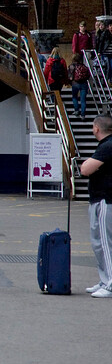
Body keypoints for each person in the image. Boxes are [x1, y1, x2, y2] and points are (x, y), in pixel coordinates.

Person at [79, 114, 112, 297]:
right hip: (101, 198)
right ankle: (105, 278)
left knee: (105, 243)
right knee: (99, 242)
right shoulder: (106, 146)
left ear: (97, 129)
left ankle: (110, 283)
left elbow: (85, 169)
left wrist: (89, 165)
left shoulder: (107, 146)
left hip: (105, 199)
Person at [68, 52, 90, 120]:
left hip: (75, 83)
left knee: (74, 97)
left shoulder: (71, 66)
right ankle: (83, 115)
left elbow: (69, 76)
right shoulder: (84, 66)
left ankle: (76, 110)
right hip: (84, 84)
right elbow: (88, 75)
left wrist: (70, 82)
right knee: (83, 100)